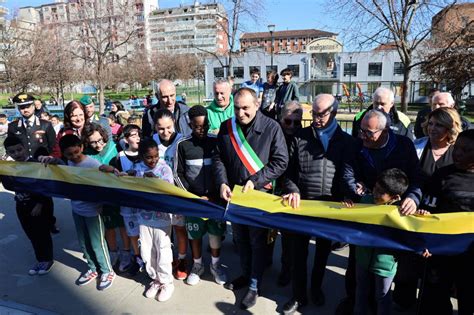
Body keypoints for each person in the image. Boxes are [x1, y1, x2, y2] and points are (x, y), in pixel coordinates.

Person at [340, 109, 422, 314]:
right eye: (361, 131)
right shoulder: (356, 144)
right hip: (365, 213)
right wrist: (359, 196)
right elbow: (347, 175)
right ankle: (355, 305)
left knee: (385, 273)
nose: (363, 136)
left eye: (369, 133)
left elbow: (416, 177)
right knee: (358, 270)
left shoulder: (404, 145)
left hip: (394, 219)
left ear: (384, 131)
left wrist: (412, 198)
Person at [213, 87, 288, 309]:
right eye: (236, 108)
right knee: (240, 240)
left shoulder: (272, 127)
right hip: (234, 196)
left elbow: (281, 161)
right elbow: (218, 158)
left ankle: (254, 286)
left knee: (257, 243)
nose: (240, 113)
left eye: (245, 108)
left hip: (258, 196)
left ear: (257, 104)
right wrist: (222, 182)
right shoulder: (227, 127)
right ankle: (246, 275)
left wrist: (255, 181)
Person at [282, 95, 356, 315]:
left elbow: (348, 174)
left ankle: (316, 288)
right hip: (302, 206)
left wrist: (347, 194)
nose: (316, 118)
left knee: (322, 252)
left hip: (329, 208)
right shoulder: (300, 137)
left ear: (334, 112)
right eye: (313, 113)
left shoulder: (347, 141)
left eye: (321, 113)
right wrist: (293, 190)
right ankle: (298, 295)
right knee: (298, 253)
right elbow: (288, 172)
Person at [393, 107, 464, 308]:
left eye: (439, 124)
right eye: (431, 123)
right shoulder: (417, 147)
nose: (433, 128)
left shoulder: (457, 153)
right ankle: (403, 303)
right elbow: (407, 181)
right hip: (414, 216)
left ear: (450, 128)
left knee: (436, 275)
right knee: (407, 270)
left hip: (443, 222)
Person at [343, 169, 426, 315]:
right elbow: (353, 221)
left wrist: (423, 217)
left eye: (381, 192)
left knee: (382, 297)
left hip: (385, 265)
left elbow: (415, 233)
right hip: (362, 259)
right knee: (361, 292)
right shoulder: (365, 201)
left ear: (394, 197)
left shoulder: (403, 212)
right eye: (375, 187)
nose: (375, 193)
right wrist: (348, 206)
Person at [39, 135, 115, 290]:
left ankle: (107, 271)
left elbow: (107, 181)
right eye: (69, 154)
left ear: (81, 146)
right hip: (77, 210)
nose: (73, 156)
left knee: (97, 243)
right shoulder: (67, 162)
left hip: (93, 212)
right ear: (64, 153)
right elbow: (59, 166)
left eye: (76, 152)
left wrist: (112, 170)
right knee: (84, 243)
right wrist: (50, 160)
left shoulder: (92, 163)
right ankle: (93, 268)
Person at [419, 130, 474, 315]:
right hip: (441, 252)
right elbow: (428, 212)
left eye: (466, 150)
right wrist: (426, 242)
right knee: (436, 299)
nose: (458, 153)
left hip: (471, 255)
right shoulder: (442, 176)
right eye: (457, 148)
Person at [174, 105, 227, 286]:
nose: (202, 130)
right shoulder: (183, 145)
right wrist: (192, 197)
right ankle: (197, 265)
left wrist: (217, 194)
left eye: (205, 126)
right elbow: (178, 174)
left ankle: (215, 265)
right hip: (194, 201)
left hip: (214, 201)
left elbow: (223, 169)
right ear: (190, 124)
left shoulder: (216, 141)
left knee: (215, 234)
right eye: (198, 126)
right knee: (194, 235)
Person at [129, 138, 175, 302]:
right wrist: (129, 176)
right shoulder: (136, 168)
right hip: (143, 217)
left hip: (162, 219)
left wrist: (155, 180)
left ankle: (167, 282)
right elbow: (130, 186)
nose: (153, 160)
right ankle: (155, 279)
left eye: (155, 156)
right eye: (149, 157)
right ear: (141, 156)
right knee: (147, 252)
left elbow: (170, 191)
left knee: (163, 251)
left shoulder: (164, 169)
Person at [3, 136, 55, 275]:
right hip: (21, 205)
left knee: (42, 233)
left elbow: (45, 185)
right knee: (31, 233)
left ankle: (47, 259)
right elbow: (8, 185)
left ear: (25, 147)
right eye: (12, 152)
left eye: (19, 150)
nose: (17, 154)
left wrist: (39, 204)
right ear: (8, 154)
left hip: (38, 205)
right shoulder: (11, 167)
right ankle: (40, 259)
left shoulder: (36, 163)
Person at [151, 109, 188, 281]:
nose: (165, 132)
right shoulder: (152, 141)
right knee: (163, 230)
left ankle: (181, 260)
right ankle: (166, 260)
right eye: (161, 129)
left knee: (179, 228)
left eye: (168, 127)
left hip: (177, 193)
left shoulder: (182, 140)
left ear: (174, 122)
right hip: (159, 194)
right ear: (155, 127)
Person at [104, 124, 143, 275]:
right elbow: (116, 178)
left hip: (144, 202)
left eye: (139, 134)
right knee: (132, 232)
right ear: (126, 139)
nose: (138, 138)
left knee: (145, 232)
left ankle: (147, 257)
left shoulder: (147, 154)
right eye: (133, 135)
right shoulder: (120, 157)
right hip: (128, 202)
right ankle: (136, 257)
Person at [274, 100, 303, 287]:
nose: (292, 126)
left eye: (297, 122)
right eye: (288, 121)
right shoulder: (271, 133)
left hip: (292, 194)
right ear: (279, 118)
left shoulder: (303, 138)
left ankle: (287, 270)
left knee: (289, 239)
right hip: (270, 190)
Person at [8, 93, 56, 158]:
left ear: (33, 107)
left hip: (42, 163)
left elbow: (53, 146)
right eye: (22, 108)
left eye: (28, 106)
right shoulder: (13, 126)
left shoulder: (46, 124)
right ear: (19, 109)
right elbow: (11, 147)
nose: (25, 110)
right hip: (23, 164)